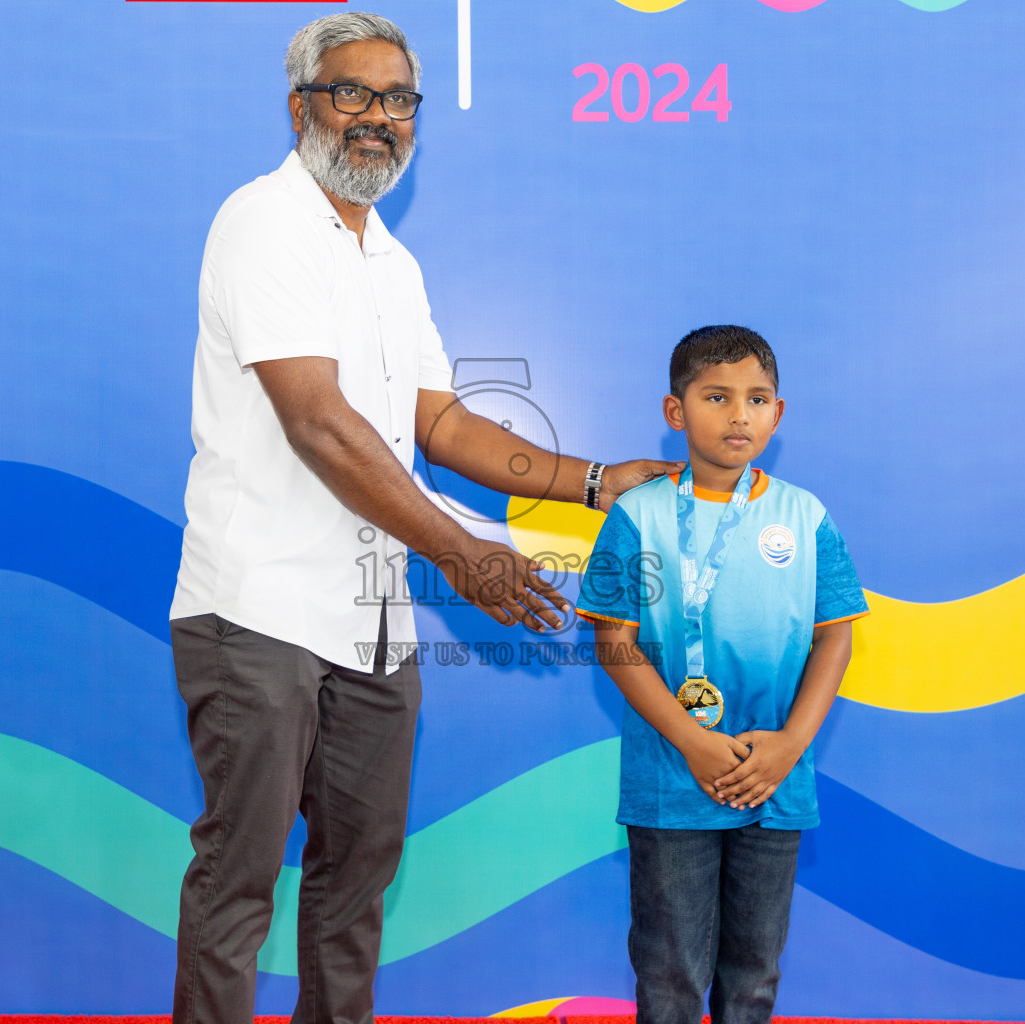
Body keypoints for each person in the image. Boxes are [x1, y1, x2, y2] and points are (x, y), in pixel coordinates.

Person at [166, 12, 679, 1024]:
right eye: (351, 93)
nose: (377, 118)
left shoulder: (389, 262)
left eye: (398, 101)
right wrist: (464, 554)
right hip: (255, 616)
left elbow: (435, 422)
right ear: (300, 106)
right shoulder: (261, 222)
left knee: (356, 888)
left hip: (375, 629)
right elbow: (319, 422)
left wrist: (591, 481)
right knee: (238, 884)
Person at [576, 325, 870, 1024]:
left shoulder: (806, 515)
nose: (739, 414)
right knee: (670, 975)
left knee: (754, 976)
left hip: (775, 778)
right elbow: (614, 642)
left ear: (778, 413)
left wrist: (791, 745)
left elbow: (836, 639)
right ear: (676, 411)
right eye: (716, 396)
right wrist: (693, 740)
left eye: (756, 398)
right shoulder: (636, 514)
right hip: (673, 779)